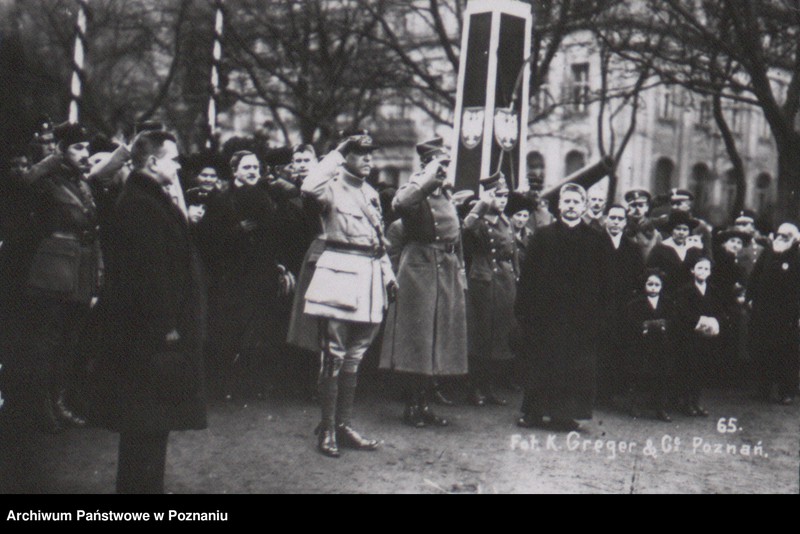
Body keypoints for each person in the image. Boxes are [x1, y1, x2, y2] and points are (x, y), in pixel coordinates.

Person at [87, 130, 207, 493]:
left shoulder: (147, 198)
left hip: (150, 333)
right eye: (173, 158)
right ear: (153, 162)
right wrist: (167, 327)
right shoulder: (141, 204)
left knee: (151, 423)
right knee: (146, 423)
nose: (179, 165)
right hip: (151, 336)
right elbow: (148, 276)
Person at [301, 129, 397, 457]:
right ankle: (326, 428)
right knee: (333, 355)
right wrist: (336, 153)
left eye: (371, 152)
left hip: (368, 277)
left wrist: (388, 274)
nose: (368, 158)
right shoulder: (329, 187)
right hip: (338, 275)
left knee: (355, 356)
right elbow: (308, 186)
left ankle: (344, 425)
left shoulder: (370, 192)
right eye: (359, 152)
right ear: (346, 154)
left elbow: (377, 239)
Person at [7, 122, 104, 433]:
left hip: (80, 269)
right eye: (77, 147)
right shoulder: (46, 180)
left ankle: (59, 403)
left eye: (86, 147)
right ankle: (38, 408)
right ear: (61, 150)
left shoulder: (80, 182)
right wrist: (50, 158)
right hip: (54, 270)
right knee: (46, 342)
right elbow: (20, 186)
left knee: (69, 341)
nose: (85, 153)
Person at [379, 137, 467, 427]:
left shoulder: (446, 194)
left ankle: (425, 404)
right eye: (439, 164)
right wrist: (428, 178)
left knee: (438, 339)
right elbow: (400, 204)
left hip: (445, 269)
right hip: (420, 271)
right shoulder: (417, 189)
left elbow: (456, 235)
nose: (444, 170)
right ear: (426, 165)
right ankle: (412, 406)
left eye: (446, 165)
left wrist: (460, 271)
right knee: (419, 341)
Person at [515, 183, 613, 431]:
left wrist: (599, 314)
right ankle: (534, 413)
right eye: (566, 201)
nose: (571, 207)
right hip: (546, 314)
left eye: (576, 202)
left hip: (581, 316)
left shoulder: (597, 239)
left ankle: (565, 415)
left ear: (584, 206)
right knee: (541, 363)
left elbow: (605, 280)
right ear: (559, 205)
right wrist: (525, 310)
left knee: (574, 367)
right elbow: (528, 276)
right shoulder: (544, 235)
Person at [198, 150, 293, 401]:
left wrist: (278, 266)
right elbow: (208, 238)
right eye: (247, 167)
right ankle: (221, 386)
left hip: (259, 274)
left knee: (257, 330)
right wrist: (236, 231)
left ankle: (248, 387)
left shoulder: (266, 198)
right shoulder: (220, 199)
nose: (253, 172)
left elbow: (275, 236)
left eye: (255, 167)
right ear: (235, 170)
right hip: (229, 276)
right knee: (226, 330)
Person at [463, 171, 518, 407]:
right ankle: (475, 388)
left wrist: (516, 277)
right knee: (481, 336)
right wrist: (482, 204)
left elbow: (513, 253)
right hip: (483, 281)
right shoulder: (479, 219)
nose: (503, 200)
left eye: (505, 195)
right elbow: (466, 228)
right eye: (498, 195)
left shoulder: (505, 221)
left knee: (499, 336)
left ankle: (489, 387)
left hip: (504, 283)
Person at [747, 222, 800, 405]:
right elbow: (755, 275)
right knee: (763, 350)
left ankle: (787, 392)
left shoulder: (797, 255)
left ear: (794, 238)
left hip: (788, 314)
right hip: (764, 311)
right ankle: (764, 389)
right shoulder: (769, 251)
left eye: (786, 235)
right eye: (779, 234)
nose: (781, 237)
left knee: (787, 353)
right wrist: (750, 298)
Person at [598, 204, 645, 401]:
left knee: (619, 346)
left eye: (620, 219)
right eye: (613, 218)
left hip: (623, 306)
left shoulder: (633, 248)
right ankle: (597, 392)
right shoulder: (595, 243)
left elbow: (639, 277)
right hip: (599, 304)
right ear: (606, 219)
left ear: (625, 223)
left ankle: (613, 391)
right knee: (599, 346)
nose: (616, 222)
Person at [674, 257, 727, 416]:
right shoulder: (685, 290)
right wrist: (699, 321)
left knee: (701, 369)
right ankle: (686, 402)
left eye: (706, 269)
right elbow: (683, 313)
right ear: (692, 270)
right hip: (690, 336)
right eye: (699, 268)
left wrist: (715, 321)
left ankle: (696, 402)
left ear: (710, 272)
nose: (702, 272)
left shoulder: (713, 290)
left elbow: (720, 310)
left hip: (707, 337)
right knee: (689, 368)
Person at [622, 269, 676, 422]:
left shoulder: (668, 302)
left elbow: (673, 320)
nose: (653, 287)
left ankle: (660, 408)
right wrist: (645, 325)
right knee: (639, 374)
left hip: (661, 344)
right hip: (641, 344)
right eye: (650, 284)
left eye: (657, 284)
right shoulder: (635, 303)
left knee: (662, 375)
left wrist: (663, 324)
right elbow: (630, 322)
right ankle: (635, 405)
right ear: (644, 285)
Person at [647, 210, 705, 296]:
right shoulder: (660, 249)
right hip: (667, 293)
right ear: (671, 230)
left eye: (685, 229)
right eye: (678, 229)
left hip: (690, 295)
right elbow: (651, 272)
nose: (681, 232)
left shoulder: (694, 250)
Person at [623, 189, 661, 261]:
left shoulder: (655, 234)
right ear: (628, 207)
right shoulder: (622, 229)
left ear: (646, 208)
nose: (637, 209)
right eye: (633, 205)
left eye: (641, 205)